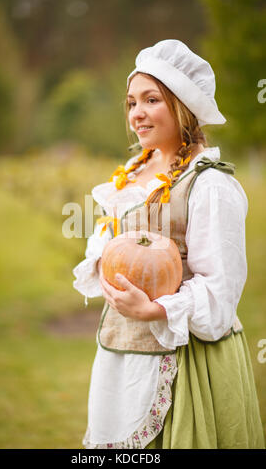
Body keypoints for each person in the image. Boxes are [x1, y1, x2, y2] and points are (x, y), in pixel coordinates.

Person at [72, 39, 265, 449]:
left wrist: (156, 308)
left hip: (187, 359)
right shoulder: (130, 172)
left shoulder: (209, 183)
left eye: (150, 99)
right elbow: (107, 249)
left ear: (182, 105)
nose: (136, 114)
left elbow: (220, 291)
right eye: (130, 103)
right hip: (122, 352)